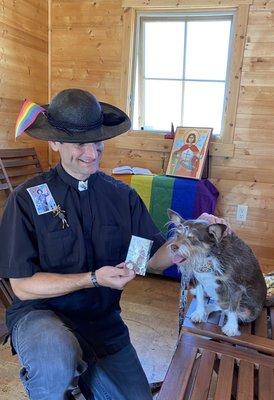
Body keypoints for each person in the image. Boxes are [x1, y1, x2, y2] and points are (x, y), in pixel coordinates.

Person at [0, 88, 227, 400]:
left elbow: (149, 259)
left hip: (102, 325)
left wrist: (193, 238)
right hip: (41, 315)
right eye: (80, 143)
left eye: (97, 141)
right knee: (55, 361)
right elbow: (23, 287)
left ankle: (85, 380)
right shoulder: (25, 199)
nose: (91, 153)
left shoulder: (122, 196)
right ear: (54, 141)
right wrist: (92, 278)